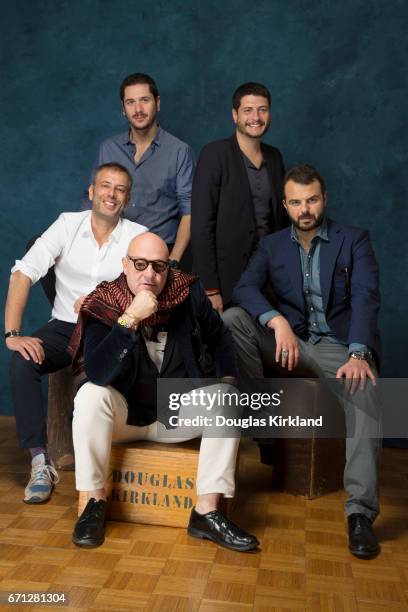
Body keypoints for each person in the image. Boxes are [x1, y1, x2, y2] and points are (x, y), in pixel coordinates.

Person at [223, 164, 382, 559]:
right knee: (232, 319)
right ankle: (262, 429)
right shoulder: (272, 244)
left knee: (368, 395)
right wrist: (276, 322)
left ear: (323, 199)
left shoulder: (353, 240)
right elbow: (243, 287)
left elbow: (365, 297)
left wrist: (359, 353)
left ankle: (360, 513)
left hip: (337, 347)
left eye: (311, 200)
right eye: (296, 202)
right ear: (285, 204)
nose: (304, 209)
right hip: (290, 341)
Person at [68, 232, 259, 553]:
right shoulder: (103, 301)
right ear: (125, 265)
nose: (149, 275)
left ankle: (206, 512)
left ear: (169, 269)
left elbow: (221, 336)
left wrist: (227, 377)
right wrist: (130, 318)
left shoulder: (187, 293)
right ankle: (94, 503)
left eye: (159, 266)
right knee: (89, 395)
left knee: (228, 398)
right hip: (126, 417)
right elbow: (99, 372)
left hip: (176, 413)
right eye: (140, 264)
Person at [5, 162, 147, 504]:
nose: (111, 194)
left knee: (99, 386)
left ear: (127, 198)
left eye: (120, 189)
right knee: (21, 363)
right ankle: (40, 461)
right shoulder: (67, 224)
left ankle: (99, 465)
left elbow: (148, 292)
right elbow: (23, 274)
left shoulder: (137, 235)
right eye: (105, 186)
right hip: (65, 328)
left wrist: (102, 301)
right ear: (91, 191)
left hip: (112, 330)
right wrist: (12, 333)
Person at [191, 82, 288, 314]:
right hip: (225, 278)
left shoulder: (275, 158)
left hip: (267, 276)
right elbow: (202, 225)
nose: (256, 117)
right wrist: (211, 287)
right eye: (248, 110)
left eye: (262, 109)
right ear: (235, 115)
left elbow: (282, 223)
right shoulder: (215, 154)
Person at [86, 72, 195, 266]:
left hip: (158, 254)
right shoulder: (109, 148)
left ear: (157, 103)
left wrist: (173, 260)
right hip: (115, 250)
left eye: (144, 100)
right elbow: (94, 201)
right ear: (123, 109)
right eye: (130, 102)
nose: (138, 109)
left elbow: (189, 212)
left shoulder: (180, 151)